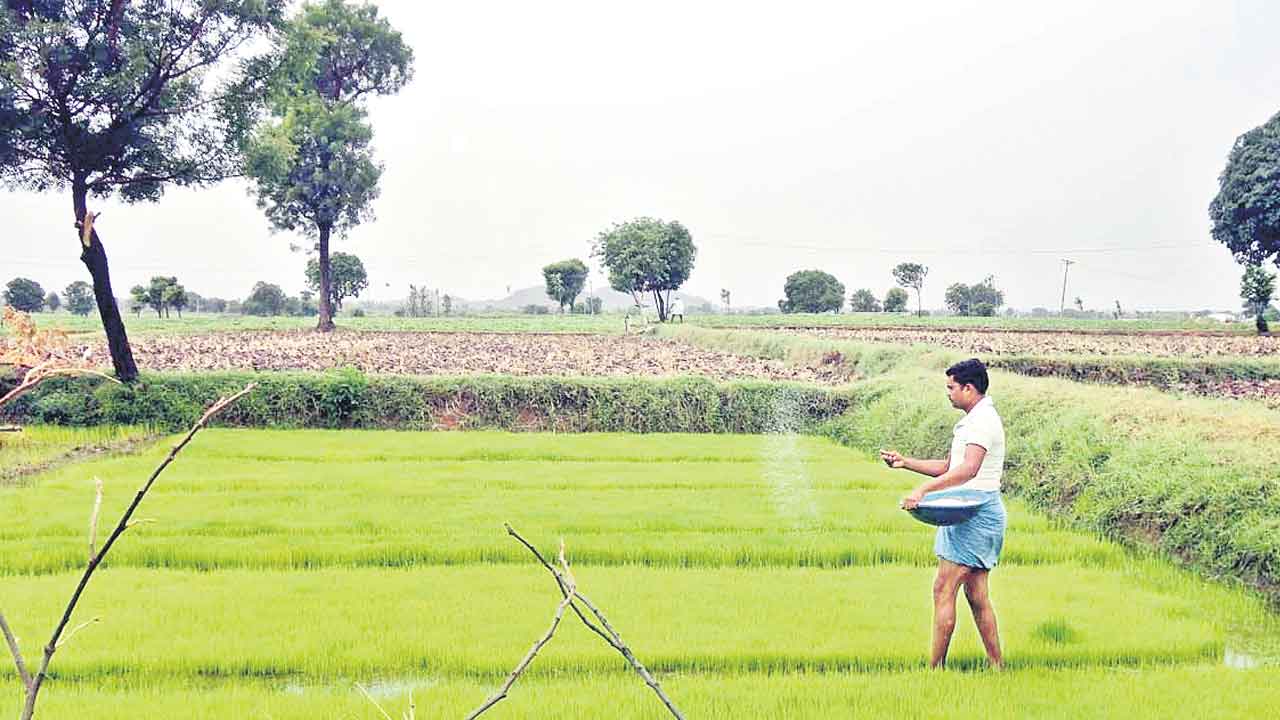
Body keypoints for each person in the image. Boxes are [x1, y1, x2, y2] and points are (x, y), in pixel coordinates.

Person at [879, 358, 1006, 670]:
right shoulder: (972, 420)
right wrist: (905, 462)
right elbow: (950, 466)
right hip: (971, 509)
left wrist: (923, 491)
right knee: (976, 595)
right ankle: (996, 665)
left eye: (951, 388)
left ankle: (934, 669)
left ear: (968, 388)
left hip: (975, 513)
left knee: (943, 588)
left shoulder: (983, 422)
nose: (947, 393)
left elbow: (968, 469)